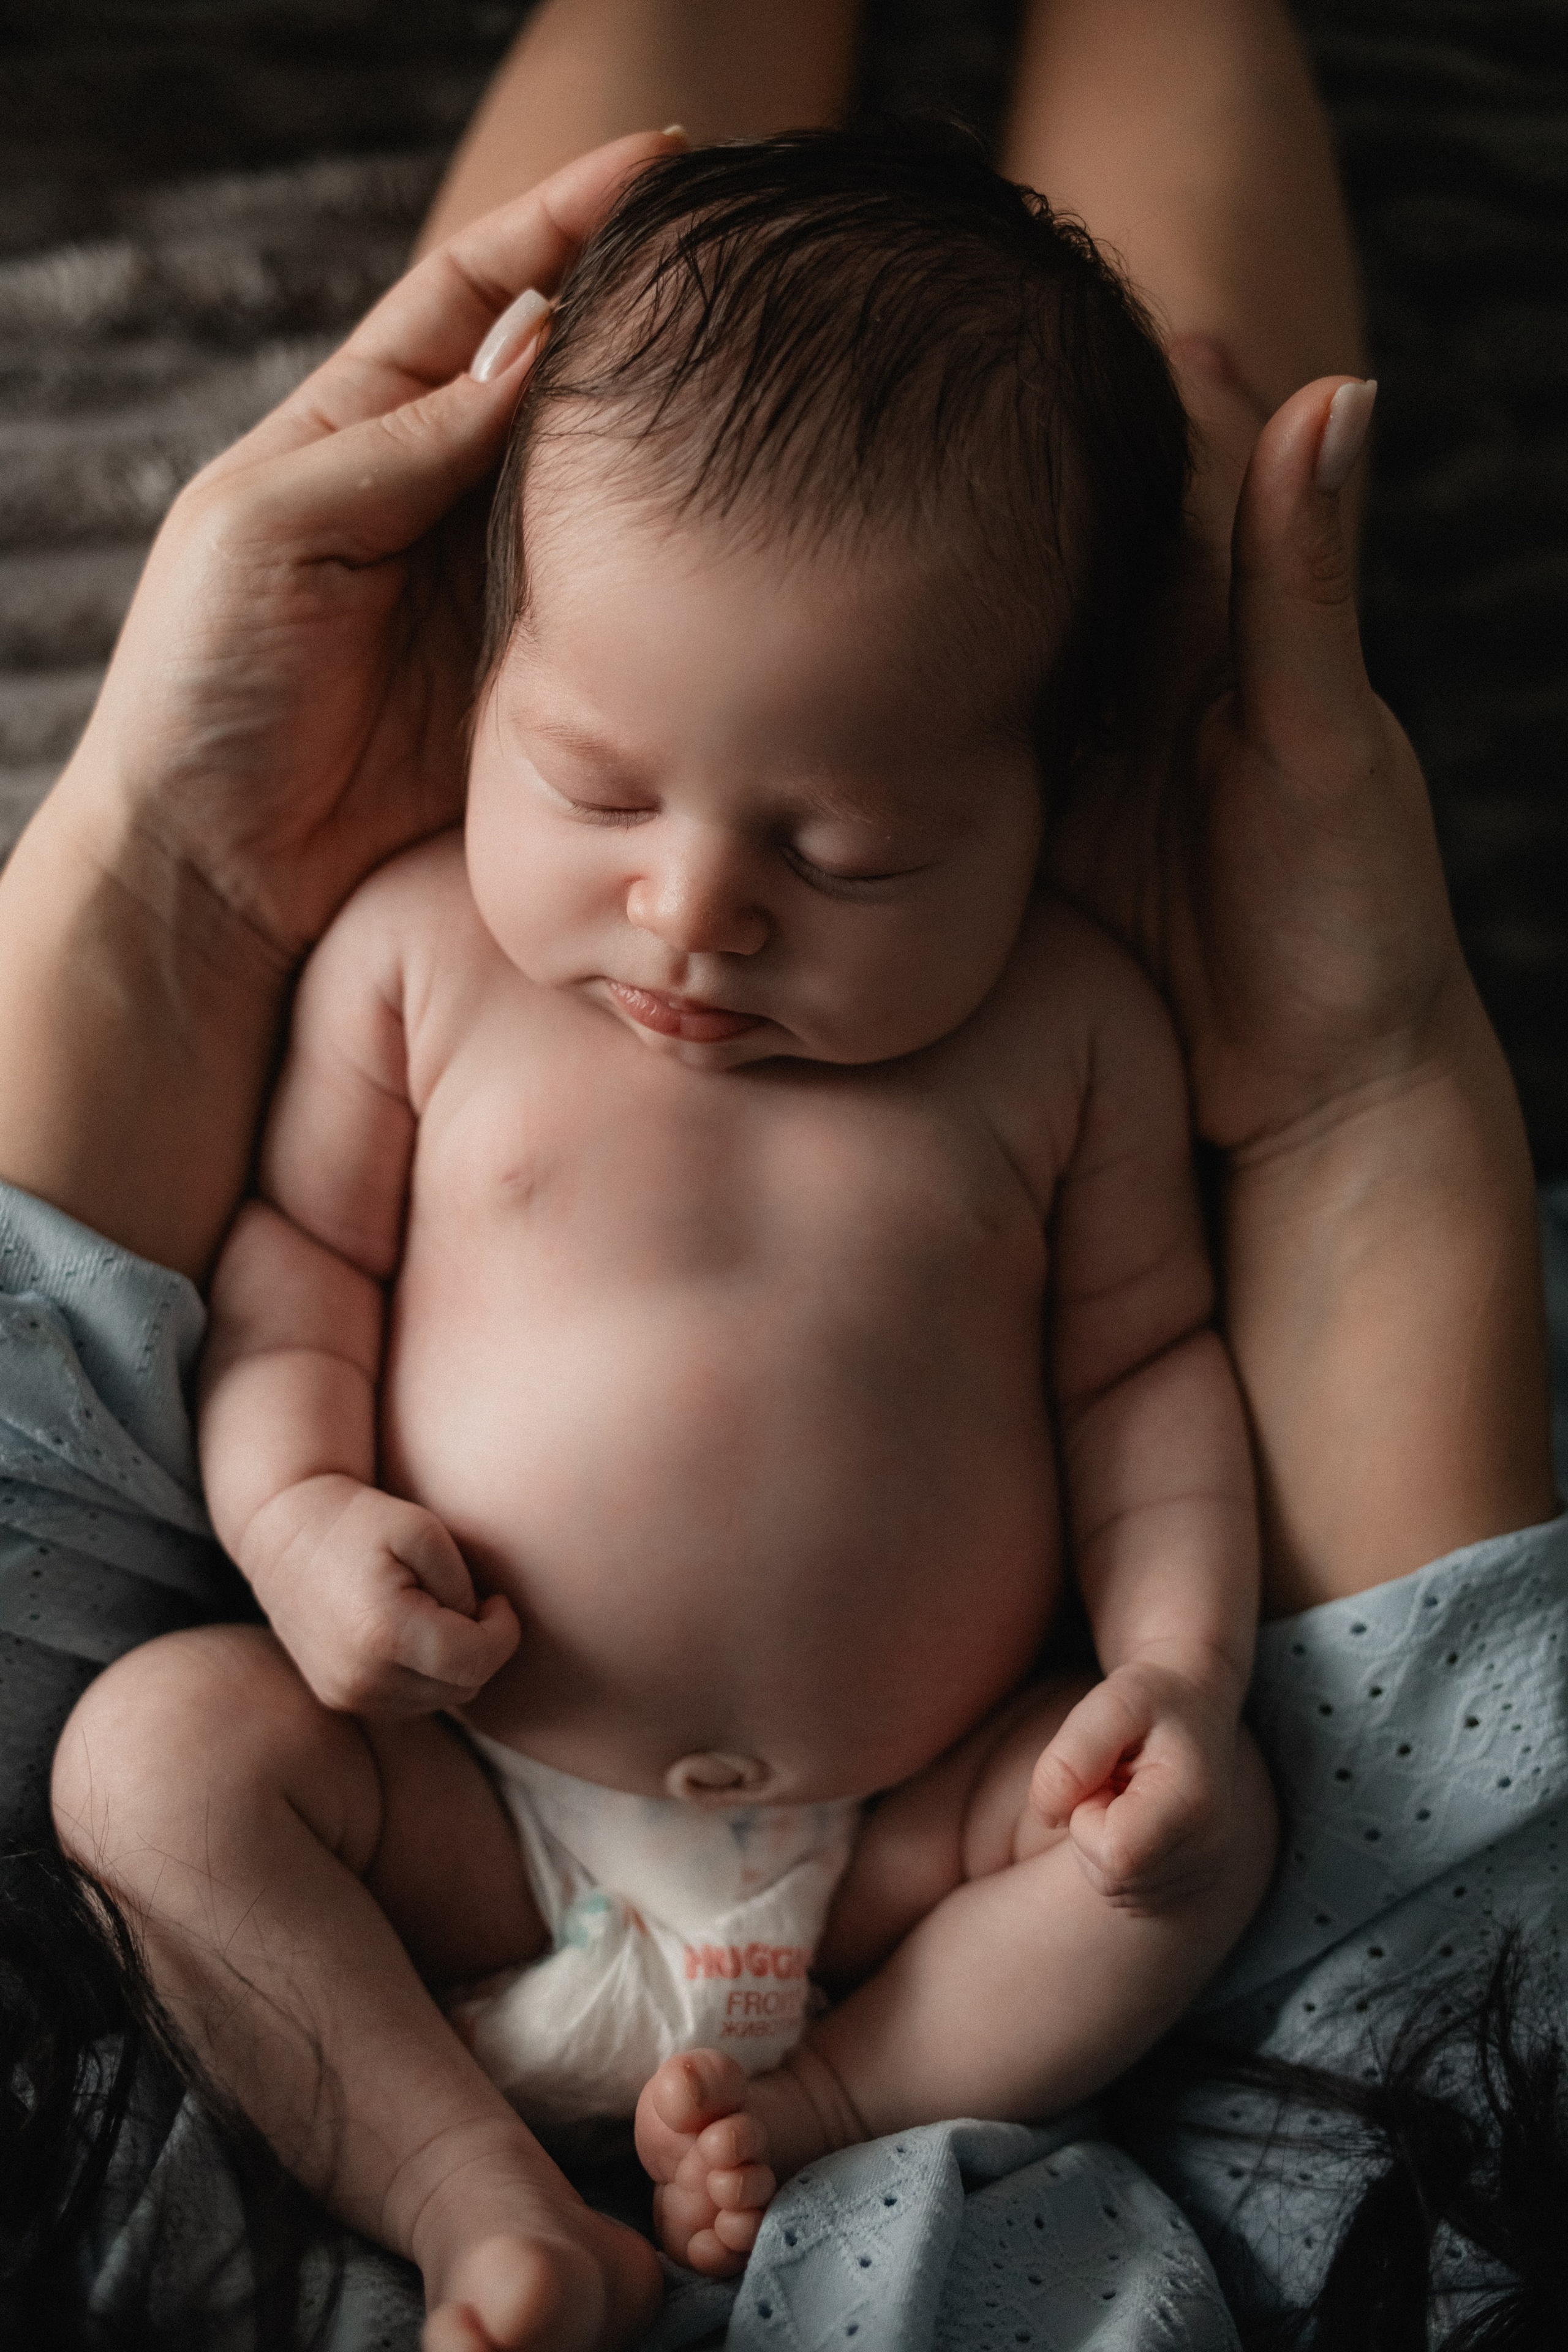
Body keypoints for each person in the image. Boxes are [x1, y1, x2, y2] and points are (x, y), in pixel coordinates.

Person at [0, 2, 1556, 2347]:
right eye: (597, 787)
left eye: (851, 847)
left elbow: (1148, 1374)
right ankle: (465, 2203)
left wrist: (1163, 1667)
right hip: (460, 1805)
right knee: (158, 1758)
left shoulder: (1074, 1025)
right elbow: (301, 1277)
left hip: (909, 1840)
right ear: (494, 664)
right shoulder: (420, 953)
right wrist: (301, 1528)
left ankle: (823, 2105)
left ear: (1040, 794)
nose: (694, 910)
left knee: (1180, 1840)